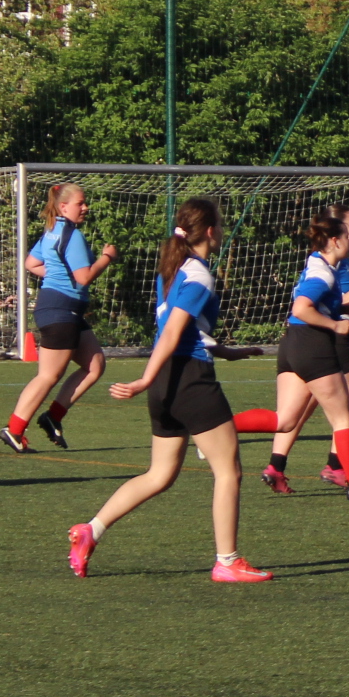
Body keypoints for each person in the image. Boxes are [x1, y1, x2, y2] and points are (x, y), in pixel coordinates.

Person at [67, 198, 270, 582]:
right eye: (219, 224)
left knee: (160, 474)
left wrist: (227, 351)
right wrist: (143, 378)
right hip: (188, 379)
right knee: (228, 471)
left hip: (167, 382)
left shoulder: (172, 271)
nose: (222, 230)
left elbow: (185, 331)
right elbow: (174, 332)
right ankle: (227, 562)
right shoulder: (199, 274)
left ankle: (91, 529)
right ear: (209, 231)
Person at [261, 212, 349, 501]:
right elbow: (302, 308)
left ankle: (218, 428)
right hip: (314, 343)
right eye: (348, 232)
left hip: (294, 342)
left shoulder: (319, 263)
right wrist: (335, 324)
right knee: (345, 415)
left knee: (286, 419)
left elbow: (316, 305)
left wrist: (343, 305)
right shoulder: (325, 271)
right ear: (335, 239)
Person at [0, 182, 117, 452]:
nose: (85, 207)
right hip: (60, 310)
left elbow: (31, 264)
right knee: (48, 375)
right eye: (80, 203)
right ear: (63, 207)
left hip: (64, 309)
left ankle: (52, 417)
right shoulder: (72, 236)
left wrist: (56, 276)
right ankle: (14, 430)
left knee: (95, 365)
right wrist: (107, 257)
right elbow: (84, 277)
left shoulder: (52, 231)